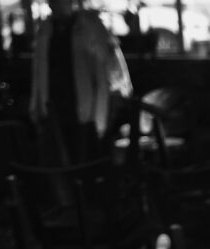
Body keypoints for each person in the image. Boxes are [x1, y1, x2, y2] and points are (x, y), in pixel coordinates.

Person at [28, 0, 132, 164]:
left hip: (86, 108)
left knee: (86, 157)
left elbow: (107, 69)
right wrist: (36, 106)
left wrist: (105, 109)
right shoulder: (45, 30)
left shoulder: (90, 28)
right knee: (59, 159)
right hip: (54, 107)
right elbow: (38, 70)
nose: (54, 5)